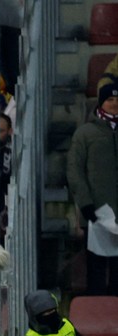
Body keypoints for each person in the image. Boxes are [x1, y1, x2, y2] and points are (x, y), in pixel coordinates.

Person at [67, 82, 118, 296]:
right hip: (96, 212)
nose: (115, 104)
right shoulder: (85, 133)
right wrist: (86, 204)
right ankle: (97, 318)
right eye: (110, 99)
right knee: (96, 268)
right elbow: (75, 170)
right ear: (101, 103)